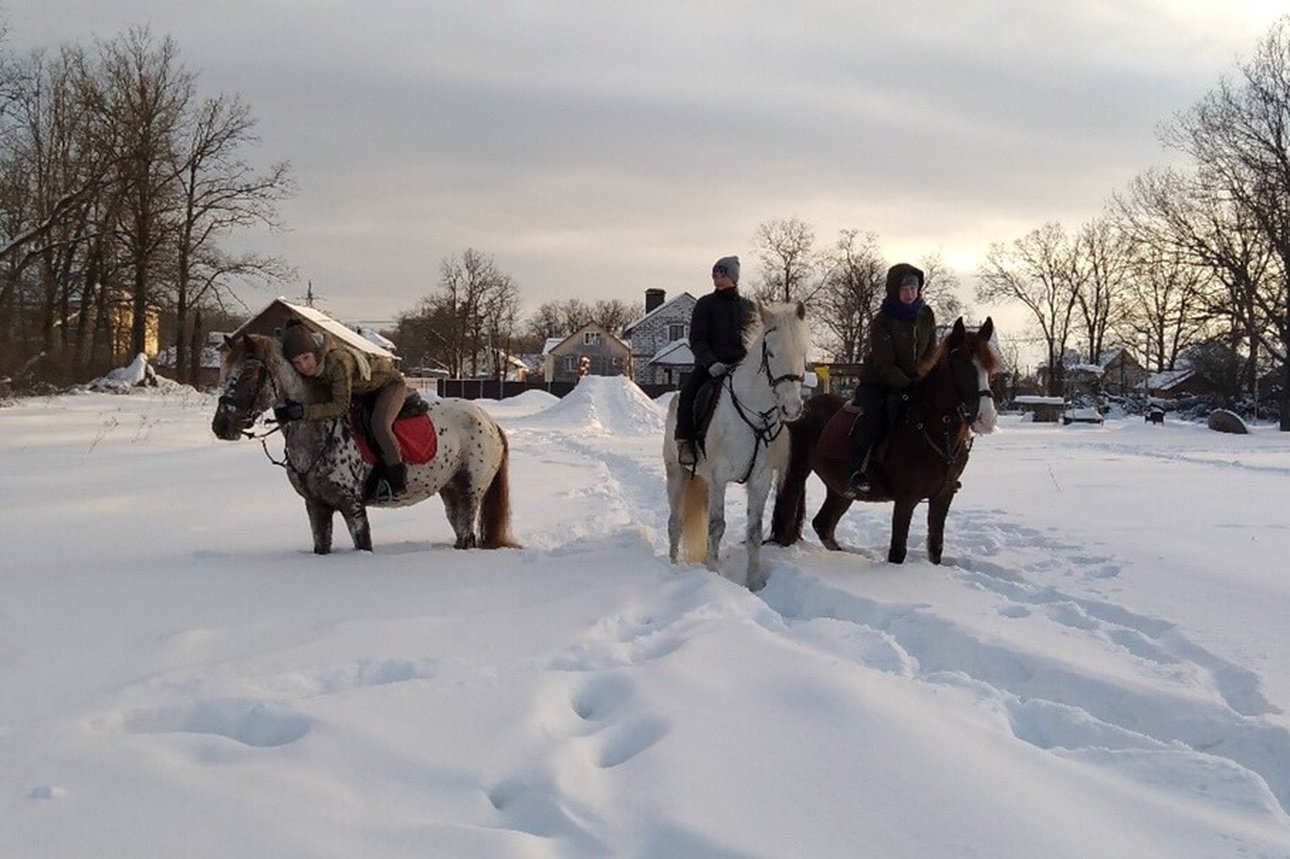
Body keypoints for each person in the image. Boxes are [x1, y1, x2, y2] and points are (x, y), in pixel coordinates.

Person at [275, 322, 410, 501]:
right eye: (297, 363)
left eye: (306, 357)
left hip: (388, 385)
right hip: (361, 390)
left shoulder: (337, 361)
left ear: (315, 352)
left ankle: (396, 480)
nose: (304, 366)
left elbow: (339, 406)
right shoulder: (314, 368)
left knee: (379, 425)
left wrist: (303, 412)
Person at [845, 263, 938, 496]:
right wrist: (906, 385)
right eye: (905, 288)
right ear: (895, 290)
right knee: (876, 413)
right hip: (880, 381)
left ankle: (936, 471)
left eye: (914, 288)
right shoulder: (883, 320)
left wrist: (922, 379)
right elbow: (884, 363)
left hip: (916, 381)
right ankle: (859, 470)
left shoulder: (926, 315)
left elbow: (931, 351)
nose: (910, 293)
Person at [674, 255, 755, 467]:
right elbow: (697, 340)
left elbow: (755, 341)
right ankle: (685, 441)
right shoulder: (705, 304)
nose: (717, 278)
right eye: (715, 274)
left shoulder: (749, 307)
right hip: (711, 367)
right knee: (689, 393)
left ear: (734, 277)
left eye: (722, 273)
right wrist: (710, 363)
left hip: (742, 367)